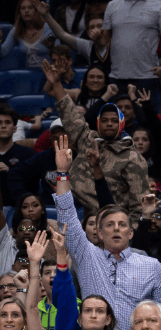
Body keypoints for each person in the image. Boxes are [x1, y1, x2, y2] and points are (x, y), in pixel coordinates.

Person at [53, 133, 161, 330]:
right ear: (100, 233)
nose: (116, 229)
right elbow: (68, 217)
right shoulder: (87, 255)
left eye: (122, 225)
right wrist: (63, 173)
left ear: (131, 233)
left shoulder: (152, 266)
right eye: (110, 225)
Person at [43, 59, 149, 226]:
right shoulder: (89, 141)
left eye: (114, 121)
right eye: (104, 120)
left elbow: (139, 206)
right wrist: (56, 84)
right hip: (88, 220)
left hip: (116, 224)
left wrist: (131, 234)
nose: (109, 124)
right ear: (98, 124)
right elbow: (71, 116)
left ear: (122, 125)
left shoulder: (133, 158)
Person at [99, 0, 161, 109]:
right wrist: (96, 38)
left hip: (147, 76)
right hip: (116, 77)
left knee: (149, 118)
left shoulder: (158, 4)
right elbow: (103, 40)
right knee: (117, 118)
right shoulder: (112, 4)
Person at [0, 156, 39, 279]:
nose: (26, 231)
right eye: (22, 229)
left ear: (37, 234)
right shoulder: (5, 243)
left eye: (31, 229)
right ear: (15, 233)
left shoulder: (41, 257)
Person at [35, 1, 111, 73]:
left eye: (100, 26)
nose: (96, 29)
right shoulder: (88, 46)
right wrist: (46, 15)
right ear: (88, 33)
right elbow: (62, 34)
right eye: (92, 27)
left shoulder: (115, 43)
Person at [9, 119, 68, 206]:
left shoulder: (83, 157)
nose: (60, 143)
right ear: (51, 139)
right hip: (48, 207)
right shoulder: (45, 157)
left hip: (78, 208)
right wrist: (24, 199)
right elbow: (15, 173)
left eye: (64, 138)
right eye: (56, 139)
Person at [0, 0, 54, 68]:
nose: (26, 11)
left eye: (30, 8)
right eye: (23, 8)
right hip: (28, 73)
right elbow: (0, 54)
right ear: (19, 12)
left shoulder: (49, 28)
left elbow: (59, 53)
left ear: (36, 10)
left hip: (49, 72)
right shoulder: (17, 29)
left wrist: (52, 49)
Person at [42, 45, 83, 114]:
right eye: (54, 61)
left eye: (60, 60)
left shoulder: (83, 81)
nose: (56, 64)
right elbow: (48, 108)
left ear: (70, 61)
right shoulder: (50, 84)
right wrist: (47, 112)